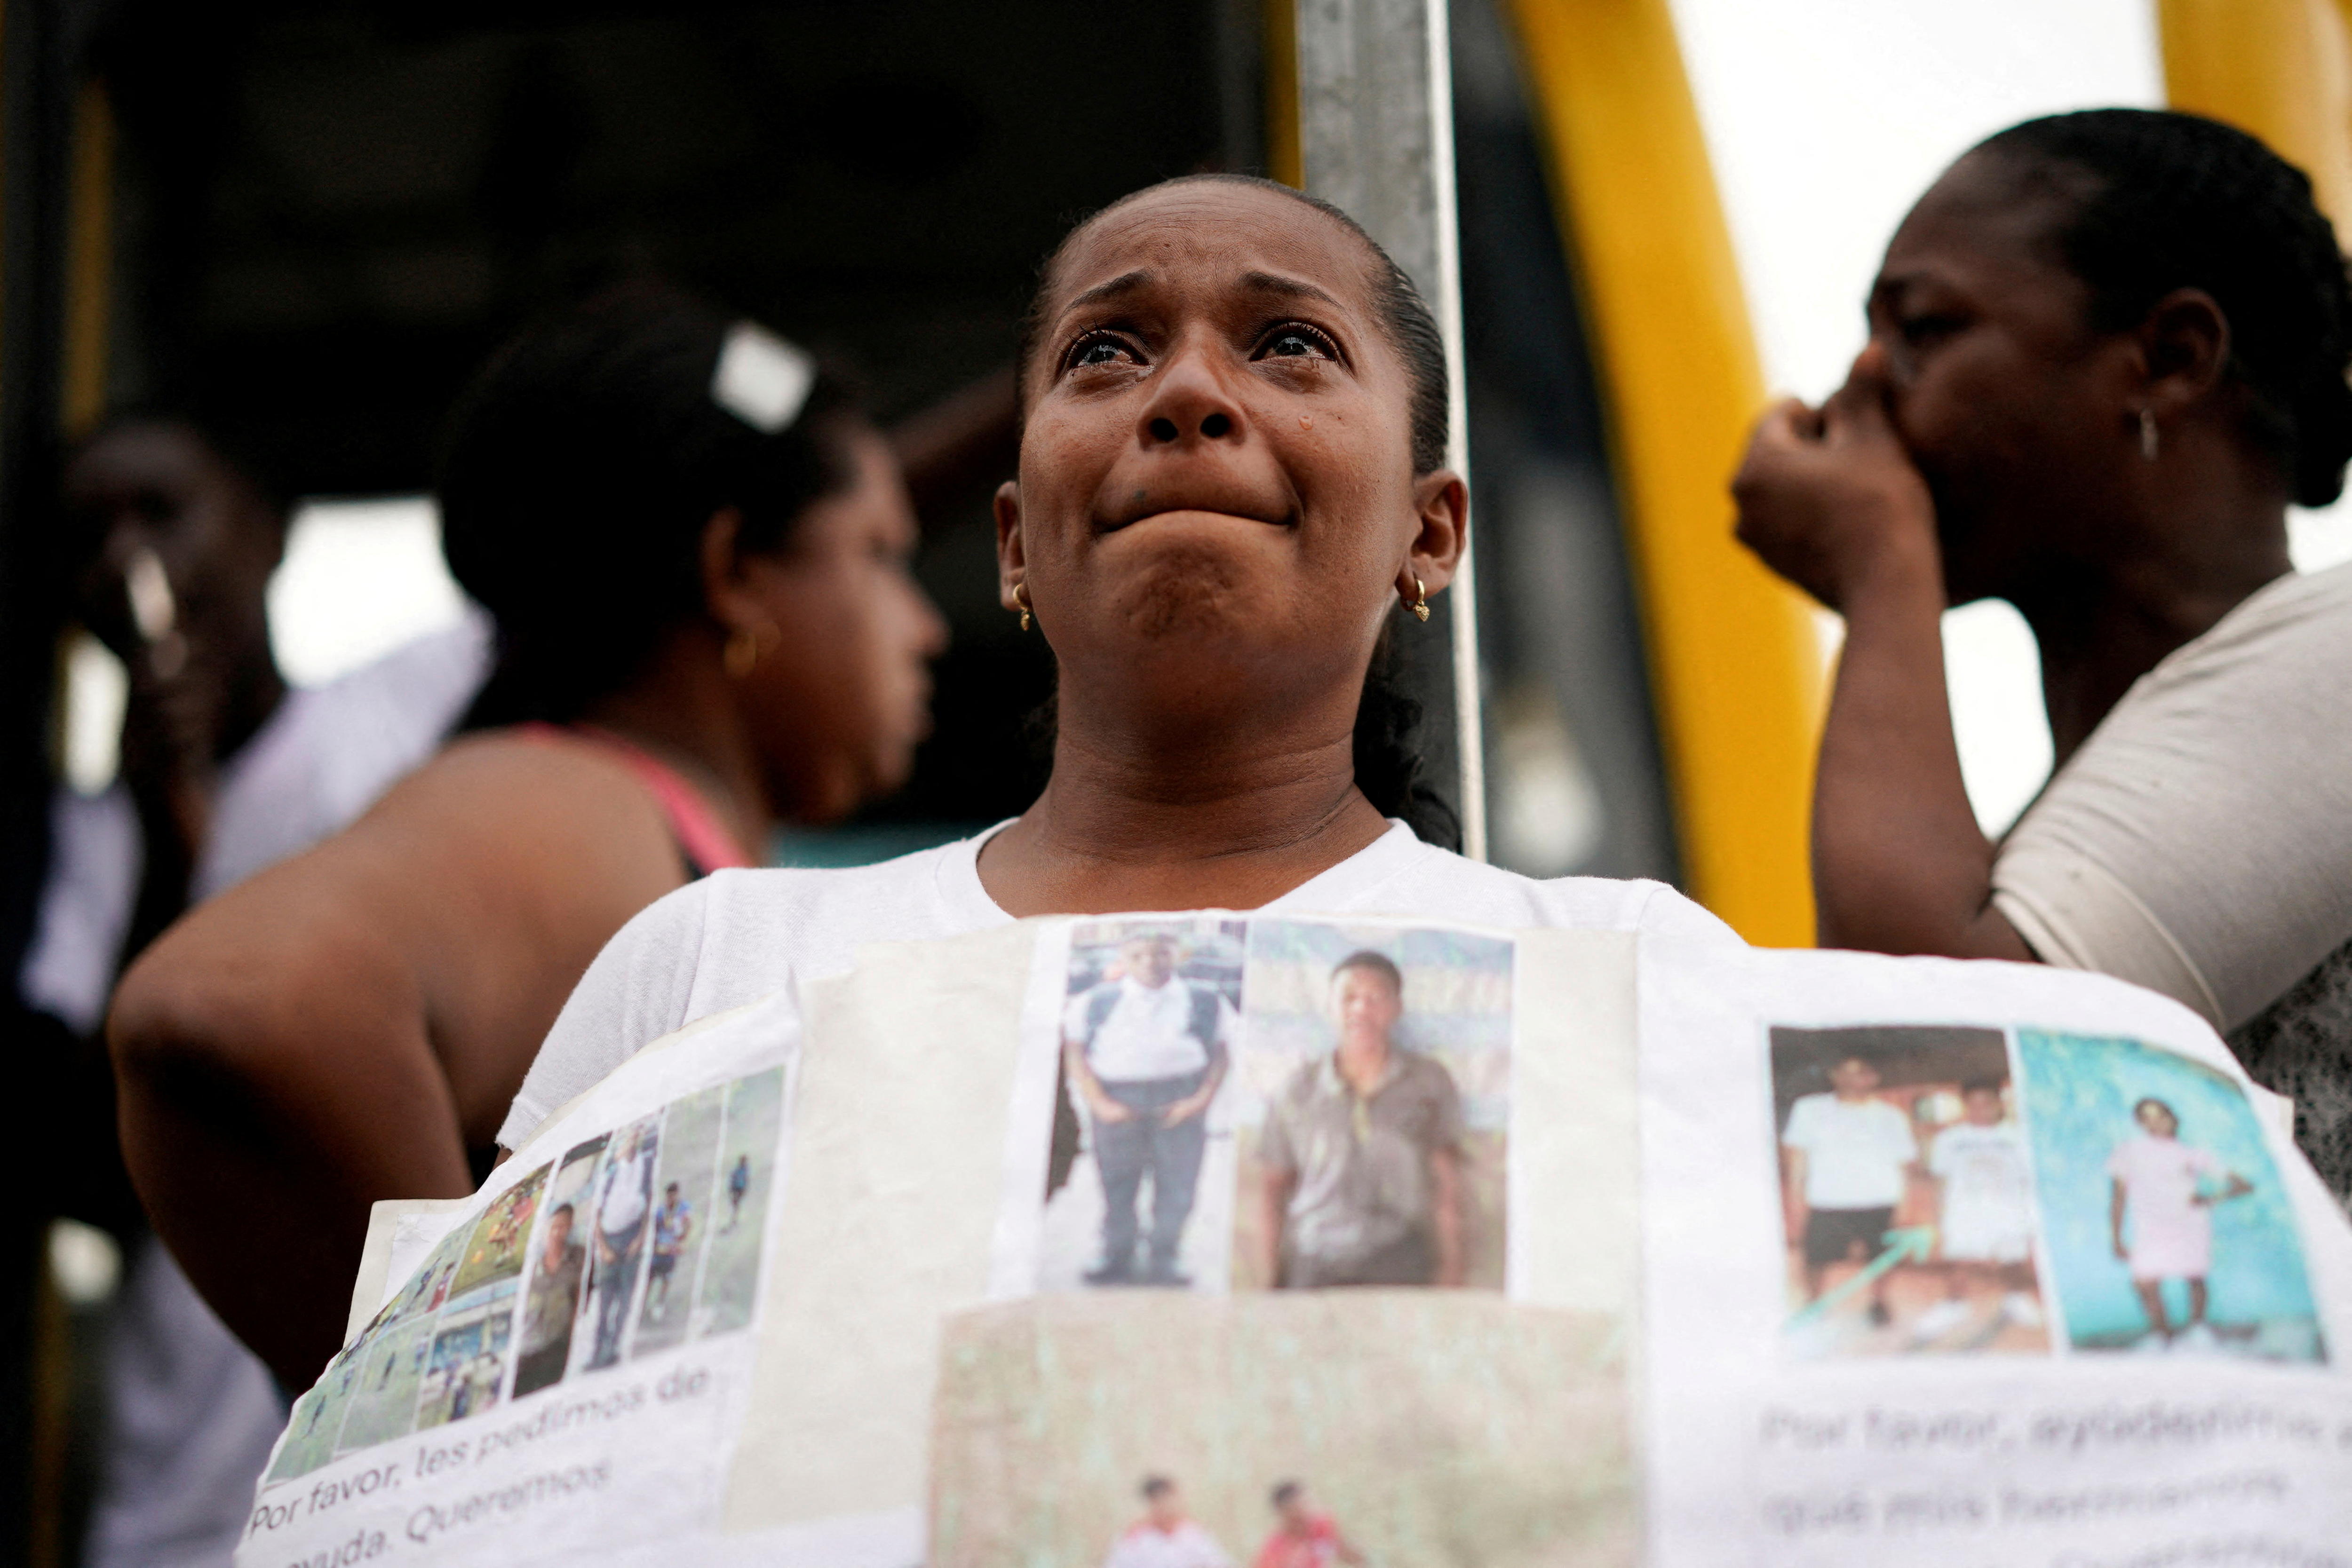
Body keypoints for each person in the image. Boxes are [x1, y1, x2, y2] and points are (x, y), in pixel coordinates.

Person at [496, 173, 1740, 1167]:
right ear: (1014, 544)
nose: (1190, 392)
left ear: (1431, 531)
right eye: (1106, 353)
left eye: (1290, 342)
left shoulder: (1630, 977)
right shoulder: (707, 968)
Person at [109, 283, 948, 1386]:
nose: (926, 625)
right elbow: (235, 1001)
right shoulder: (583, 808)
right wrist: (467, 1420)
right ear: (735, 570)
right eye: (879, 553)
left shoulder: (631, 821)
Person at [1730, 108, 2352, 1203]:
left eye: (1921, 329)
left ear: (2169, 359)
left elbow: (1943, 1048)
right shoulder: (2049, 843)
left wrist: (1881, 560)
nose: (1860, 393)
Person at [14, 408, 489, 1568]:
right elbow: (83, 1174)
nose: (131, 562)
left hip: (408, 1474)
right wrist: (162, 847)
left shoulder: (403, 714)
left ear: (266, 535)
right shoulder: (89, 844)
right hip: (184, 1502)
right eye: (92, 535)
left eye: (164, 514)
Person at [1257, 951, 1467, 1288]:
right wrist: (1270, 1276)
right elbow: (1272, 1190)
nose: (1361, 1010)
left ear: (1397, 1007)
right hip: (1314, 1262)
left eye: (1376, 998)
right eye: (1349, 998)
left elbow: (1448, 1183)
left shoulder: (1428, 1083)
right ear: (1330, 1007)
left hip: (1400, 1258)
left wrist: (1453, 1270)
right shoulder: (1297, 1091)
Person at [1064, 929, 1235, 1285]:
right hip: (1117, 1102)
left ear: (1178, 955)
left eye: (1160, 953)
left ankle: (1165, 1256)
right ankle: (1115, 1254)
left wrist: (1200, 1100)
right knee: (1118, 1183)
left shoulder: (1206, 1000)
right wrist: (1100, 1103)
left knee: (1178, 1185)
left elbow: (1220, 1054)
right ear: (1123, 958)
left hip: (1181, 1101)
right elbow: (1076, 1053)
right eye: (1139, 955)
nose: (1150, 963)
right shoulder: (1095, 1002)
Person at [1780, 1054, 1919, 1325]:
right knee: (1815, 1259)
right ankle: (1814, 1302)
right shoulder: (1809, 1109)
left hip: (1880, 1198)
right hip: (1827, 1199)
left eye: (1861, 1072)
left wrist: (1906, 1205)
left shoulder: (1892, 1117)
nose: (1853, 1079)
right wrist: (1796, 1197)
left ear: (1873, 1078)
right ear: (1834, 1076)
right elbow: (1797, 1156)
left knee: (1881, 1259)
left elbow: (1905, 1164)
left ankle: (1879, 1303)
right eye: (1845, 1072)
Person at [2109, 1095, 2252, 1352]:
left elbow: (2243, 1185)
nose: (2156, 1123)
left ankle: (2197, 1330)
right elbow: (2118, 1197)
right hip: (2150, 1226)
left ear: (2172, 1118)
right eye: (2147, 1118)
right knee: (2145, 1280)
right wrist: (2117, 1238)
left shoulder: (2192, 1154)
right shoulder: (2129, 1151)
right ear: (2140, 1123)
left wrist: (2210, 1199)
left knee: (2194, 1276)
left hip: (2188, 1222)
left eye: (2161, 1116)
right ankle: (2162, 1337)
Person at [1913, 1079, 2042, 1345]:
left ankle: (2015, 1300)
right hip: (1965, 1209)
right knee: (1961, 1263)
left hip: (2008, 1207)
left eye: (1987, 1103)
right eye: (1973, 1104)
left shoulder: (2019, 1137)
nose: (1980, 1109)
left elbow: (2030, 1179)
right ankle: (1954, 1306)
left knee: (2013, 1261)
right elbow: (1941, 1180)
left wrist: (2031, 1215)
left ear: (1999, 1105)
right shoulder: (1949, 1139)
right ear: (1965, 1106)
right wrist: (1937, 1218)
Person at [587, 1125, 657, 1368]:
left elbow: (649, 1204)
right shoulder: (609, 1172)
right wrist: (603, 1247)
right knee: (605, 1301)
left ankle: (613, 1350)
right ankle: (597, 1353)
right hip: (609, 1239)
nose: (630, 1143)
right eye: (626, 1139)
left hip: (632, 1237)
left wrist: (640, 1239)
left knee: (626, 1298)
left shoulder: (646, 1165)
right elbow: (595, 1214)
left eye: (634, 1137)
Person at [515, 1203, 585, 1396]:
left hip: (559, 1346)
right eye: (554, 1226)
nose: (556, 1232)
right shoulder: (532, 1265)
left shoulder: (578, 1257)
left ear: (570, 1228)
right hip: (528, 1348)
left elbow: (581, 1298)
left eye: (563, 1227)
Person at [1103, 1476, 1233, 1568]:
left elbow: (1221, 1564)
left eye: (1168, 1500)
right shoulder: (1134, 1539)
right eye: (1157, 1502)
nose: (1165, 1508)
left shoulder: (1193, 1533)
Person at [1252, 1481, 1364, 1568]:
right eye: (1297, 1516)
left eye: (1307, 1505)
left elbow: (1353, 1557)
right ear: (1284, 1517)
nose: (1306, 1517)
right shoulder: (1275, 1551)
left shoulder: (1322, 1525)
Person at [646, 1179, 694, 1318]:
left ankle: (660, 1304)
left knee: (666, 1279)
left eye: (674, 1195)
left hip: (672, 1251)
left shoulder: (684, 1208)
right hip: (659, 1250)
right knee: (650, 1278)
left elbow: (688, 1223)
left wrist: (683, 1239)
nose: (671, 1198)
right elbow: (655, 1227)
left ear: (677, 1195)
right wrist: (654, 1244)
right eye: (669, 1196)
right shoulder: (661, 1210)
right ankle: (644, 1304)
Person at [725, 1154, 751, 1232]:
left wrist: (745, 1188)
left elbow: (746, 1179)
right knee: (736, 1202)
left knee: (737, 1203)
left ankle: (735, 1217)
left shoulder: (744, 1169)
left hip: (739, 1188)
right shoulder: (741, 1169)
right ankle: (735, 1217)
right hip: (737, 1187)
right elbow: (743, 1179)